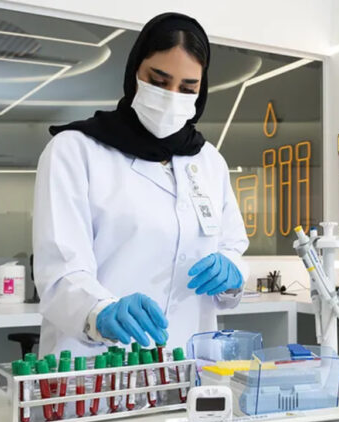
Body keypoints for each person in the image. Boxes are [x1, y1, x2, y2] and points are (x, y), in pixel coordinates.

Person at [32, 13, 249, 356]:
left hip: (187, 358)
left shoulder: (208, 161)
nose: (171, 96)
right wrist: (100, 312)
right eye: (158, 81)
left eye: (187, 88)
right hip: (95, 362)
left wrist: (232, 275)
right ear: (135, 71)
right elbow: (59, 271)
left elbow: (232, 248)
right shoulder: (74, 151)